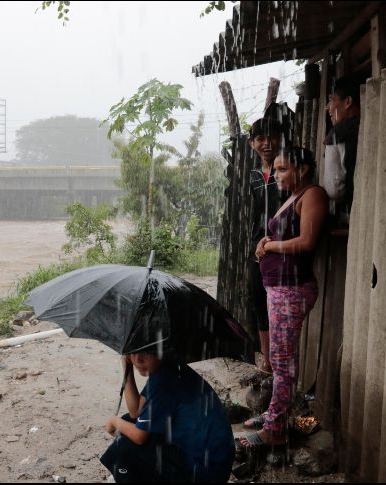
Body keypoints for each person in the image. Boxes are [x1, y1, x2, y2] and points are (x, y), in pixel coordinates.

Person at [238, 147, 329, 449]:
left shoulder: (312, 194)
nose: (275, 174)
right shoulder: (292, 196)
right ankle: (274, 415)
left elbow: (306, 241)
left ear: (302, 169)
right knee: (279, 360)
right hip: (278, 289)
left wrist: (272, 246)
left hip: (292, 290)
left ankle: (275, 430)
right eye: (276, 169)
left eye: (282, 169)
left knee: (283, 360)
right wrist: (265, 241)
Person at [100, 351, 234, 483]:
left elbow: (139, 436)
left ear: (162, 350)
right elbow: (136, 411)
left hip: (205, 473)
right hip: (210, 463)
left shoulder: (164, 379)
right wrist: (127, 367)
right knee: (129, 421)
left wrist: (114, 421)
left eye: (147, 352)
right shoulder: (168, 367)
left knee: (124, 446)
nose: (138, 359)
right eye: (133, 352)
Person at [247, 116, 288, 375]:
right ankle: (267, 359)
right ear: (252, 144)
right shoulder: (251, 176)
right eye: (260, 139)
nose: (266, 143)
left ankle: (280, 361)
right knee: (257, 298)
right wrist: (253, 243)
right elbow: (248, 214)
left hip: (283, 248)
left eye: (271, 137)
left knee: (280, 304)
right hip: (256, 249)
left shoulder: (285, 172)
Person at [323, 75, 361, 224]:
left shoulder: (337, 135)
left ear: (348, 102)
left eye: (331, 100)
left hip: (353, 213)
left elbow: (334, 190)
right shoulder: (368, 124)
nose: (328, 107)